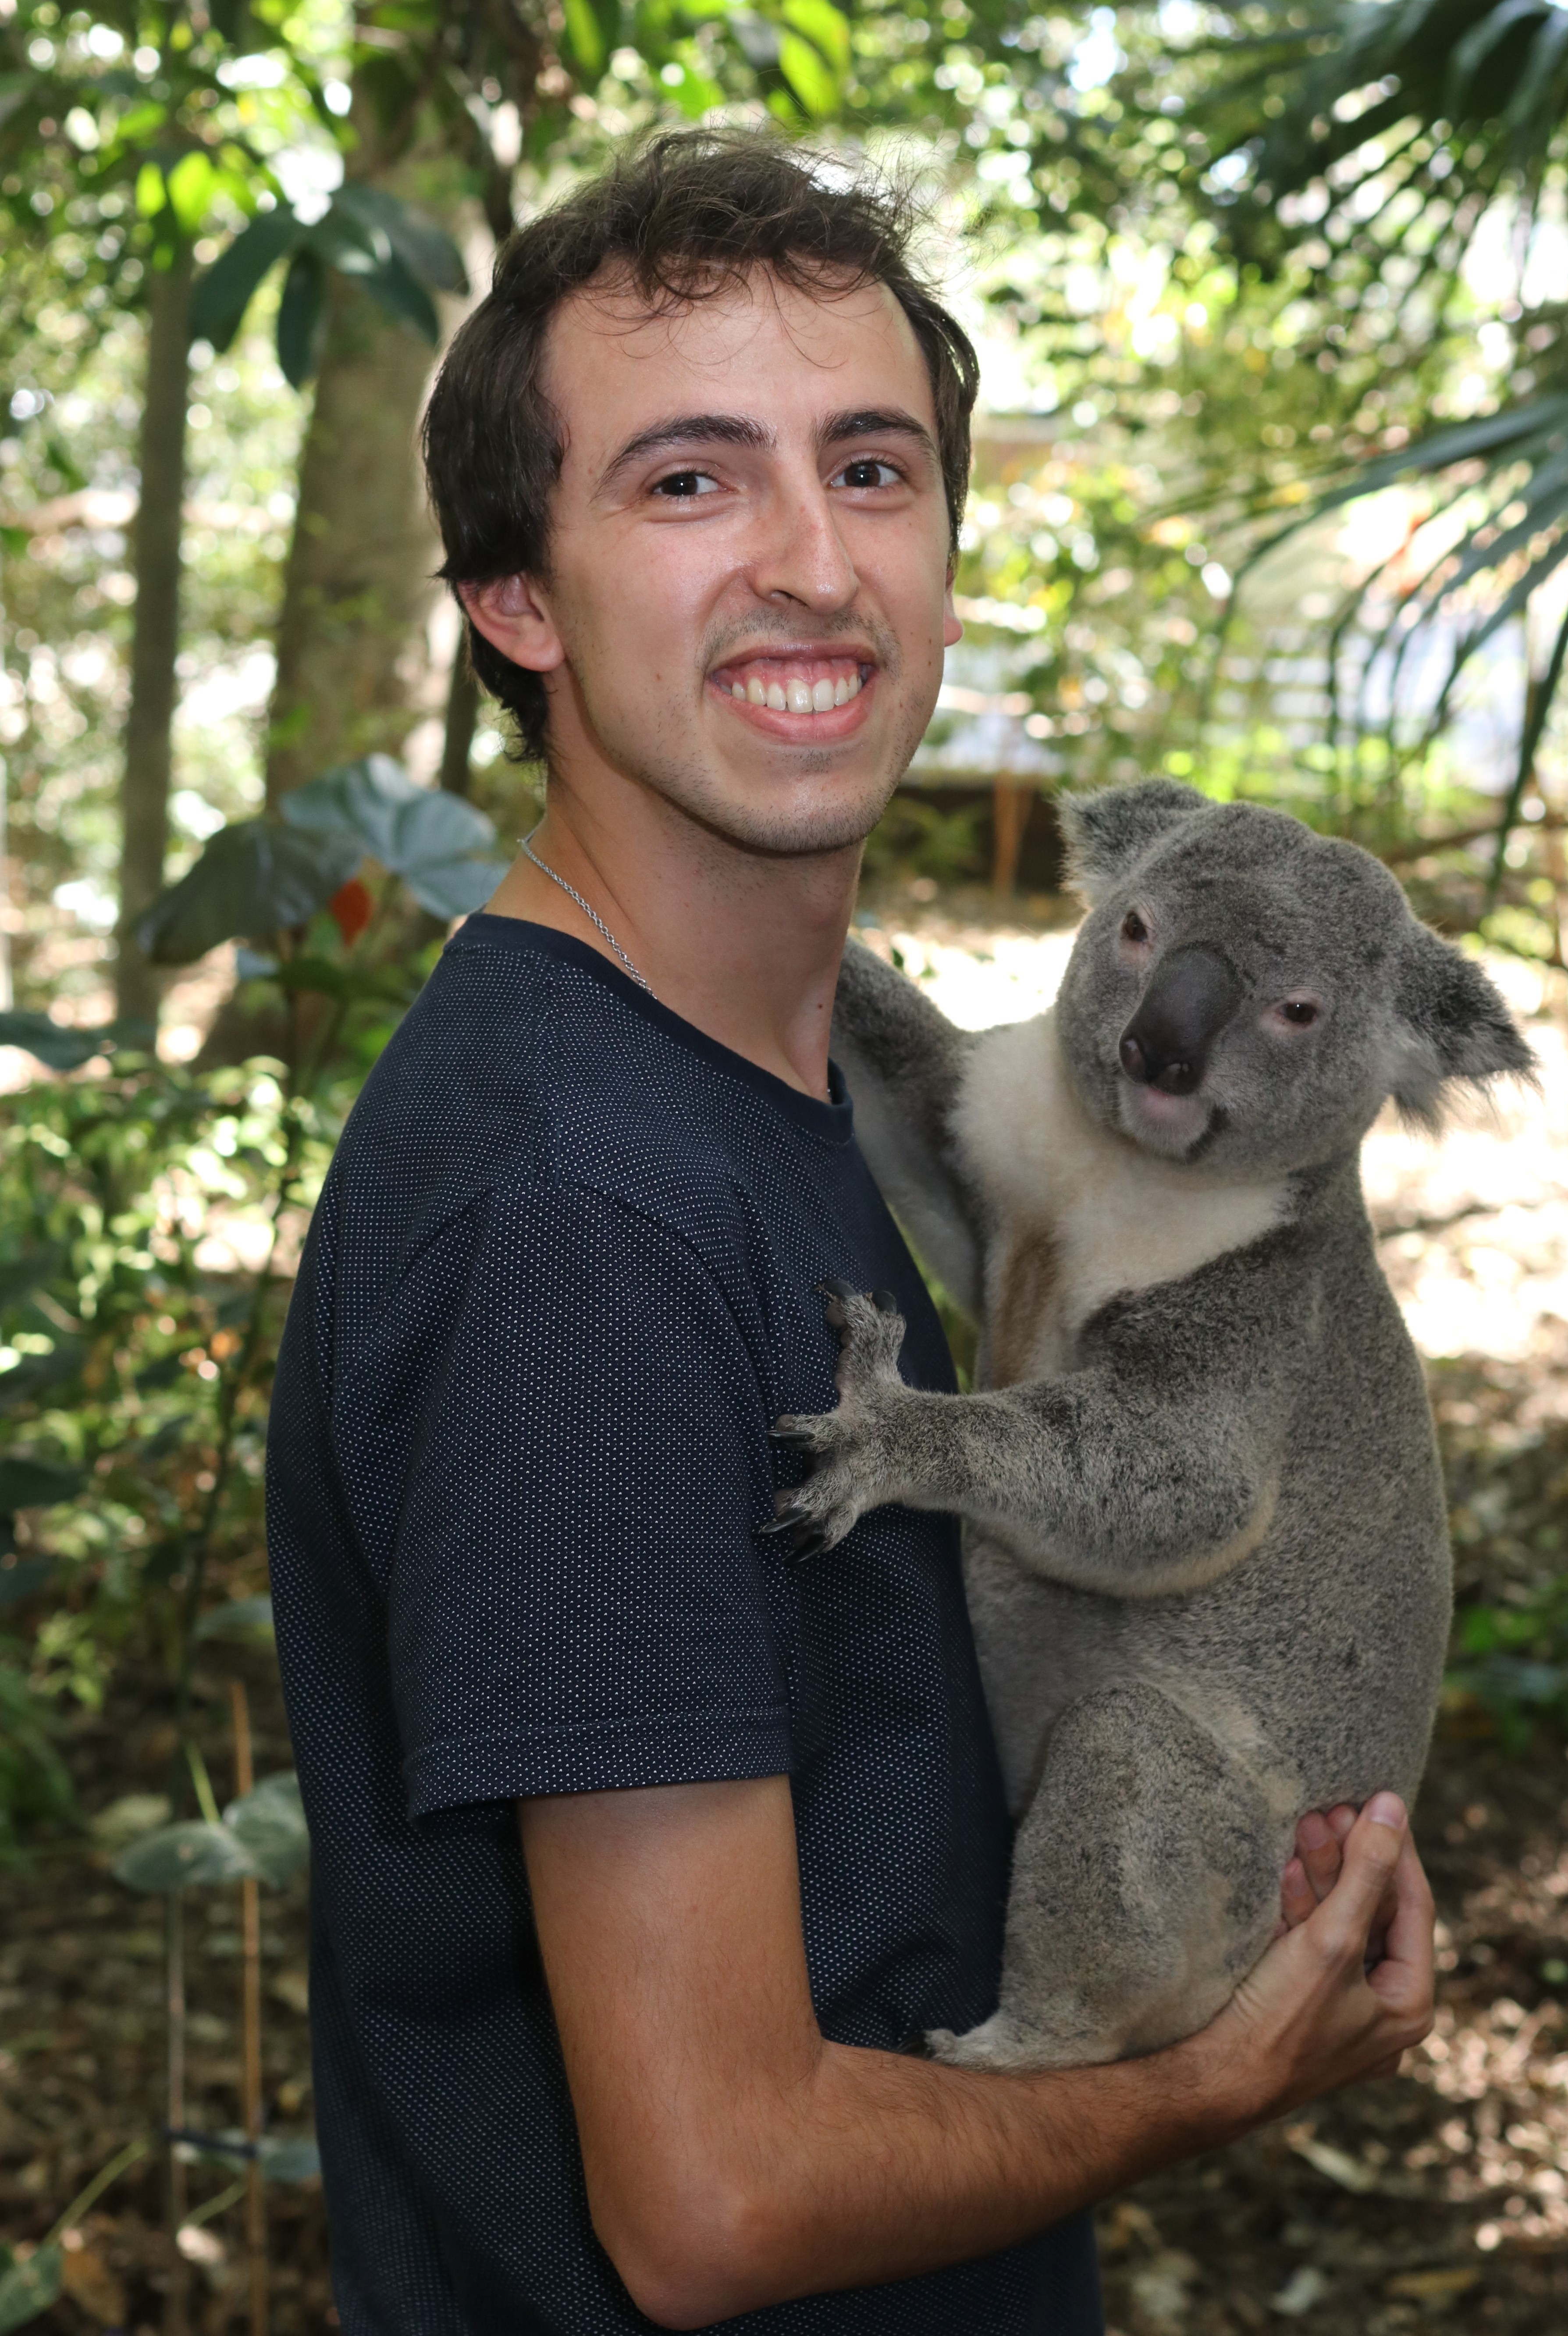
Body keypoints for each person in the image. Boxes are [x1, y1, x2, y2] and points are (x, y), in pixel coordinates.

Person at [266, 128, 1435, 2335]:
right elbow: (721, 2202)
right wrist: (1206, 2077)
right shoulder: (574, 1215)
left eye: (873, 470)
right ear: (518, 597)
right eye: (691, 483)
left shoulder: (777, 1081)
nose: (813, 560)